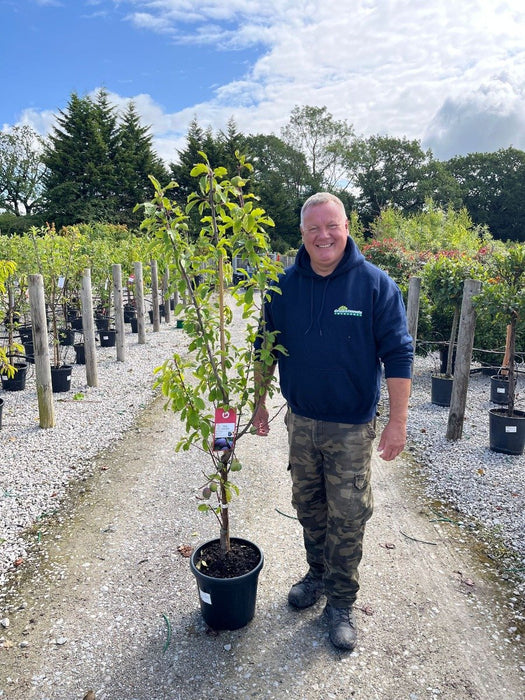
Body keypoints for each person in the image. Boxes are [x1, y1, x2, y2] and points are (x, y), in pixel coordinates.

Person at [253, 192, 413, 651]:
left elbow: (399, 355)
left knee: (348, 514)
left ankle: (341, 602)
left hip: (350, 427)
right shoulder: (283, 287)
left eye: (332, 226)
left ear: (347, 227)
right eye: (312, 229)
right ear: (301, 234)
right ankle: (317, 574)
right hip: (301, 421)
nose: (323, 236)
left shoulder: (375, 285)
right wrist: (259, 404)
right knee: (308, 504)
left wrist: (396, 422)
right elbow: (265, 347)